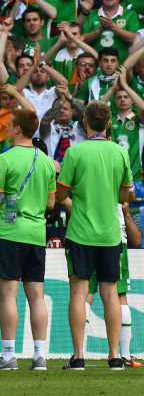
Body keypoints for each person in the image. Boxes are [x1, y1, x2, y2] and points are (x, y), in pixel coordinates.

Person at [56, 101, 134, 370]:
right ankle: (115, 357)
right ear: (109, 122)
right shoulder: (120, 153)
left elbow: (60, 194)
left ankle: (78, 357)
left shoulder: (74, 153)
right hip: (110, 234)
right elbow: (124, 196)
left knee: (78, 293)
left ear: (85, 123)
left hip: (80, 233)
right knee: (110, 293)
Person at [0, 107, 55, 371]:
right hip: (36, 233)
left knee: (9, 296)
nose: (5, 128)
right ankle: (39, 356)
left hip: (9, 233)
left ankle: (9, 355)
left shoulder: (5, 159)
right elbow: (50, 203)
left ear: (16, 129)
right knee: (37, 295)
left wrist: (5, 196)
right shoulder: (46, 161)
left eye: (9, 124)